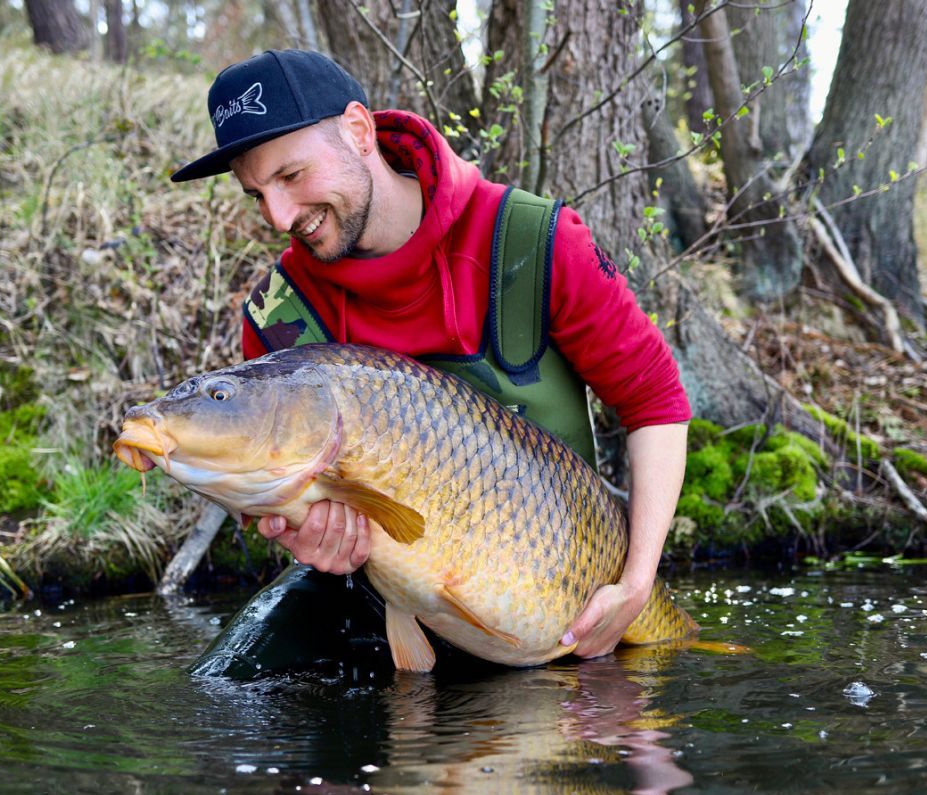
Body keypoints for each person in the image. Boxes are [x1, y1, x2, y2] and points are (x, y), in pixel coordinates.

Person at [170, 49, 690, 677]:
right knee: (231, 683)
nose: (279, 218)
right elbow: (264, 485)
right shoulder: (280, 315)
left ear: (360, 132)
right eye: (256, 194)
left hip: (568, 591)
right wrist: (298, 534)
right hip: (379, 601)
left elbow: (656, 401)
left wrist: (635, 586)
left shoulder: (537, 239)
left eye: (291, 176)